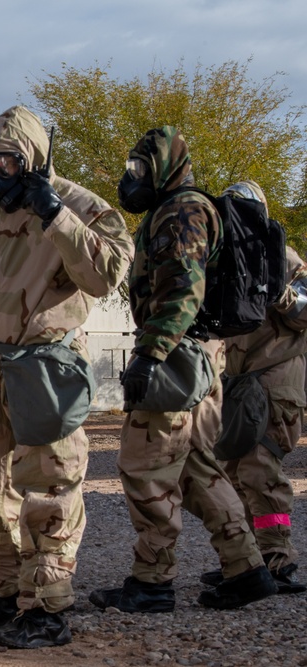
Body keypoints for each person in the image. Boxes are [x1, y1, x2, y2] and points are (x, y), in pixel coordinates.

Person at [0, 105, 134, 649]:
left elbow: (108, 273)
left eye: (5, 161)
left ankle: (46, 606)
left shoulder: (78, 204)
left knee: (48, 486)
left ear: (32, 161)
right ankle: (8, 588)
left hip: (45, 362)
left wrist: (56, 215)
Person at [90, 128, 278, 615]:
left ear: (165, 166)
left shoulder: (182, 211)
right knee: (198, 469)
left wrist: (150, 356)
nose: (131, 180)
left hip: (174, 356)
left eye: (139, 169)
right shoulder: (184, 208)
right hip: (196, 354)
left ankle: (153, 582)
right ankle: (247, 570)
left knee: (143, 468)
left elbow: (182, 290)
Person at [201, 181, 306, 594]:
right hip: (237, 380)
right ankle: (247, 561)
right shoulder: (223, 258)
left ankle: (277, 558)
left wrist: (278, 290)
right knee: (232, 472)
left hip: (276, 375)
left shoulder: (283, 256)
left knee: (260, 470)